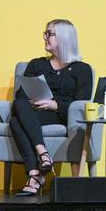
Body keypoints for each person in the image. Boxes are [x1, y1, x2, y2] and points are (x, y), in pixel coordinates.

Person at [10, 19, 92, 196]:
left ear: (64, 38)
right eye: (45, 33)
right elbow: (21, 97)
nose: (45, 38)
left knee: (16, 121)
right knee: (19, 104)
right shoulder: (36, 64)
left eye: (50, 34)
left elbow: (81, 102)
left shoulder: (82, 69)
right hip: (34, 111)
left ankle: (35, 175)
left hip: (61, 115)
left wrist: (55, 105)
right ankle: (43, 155)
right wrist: (34, 102)